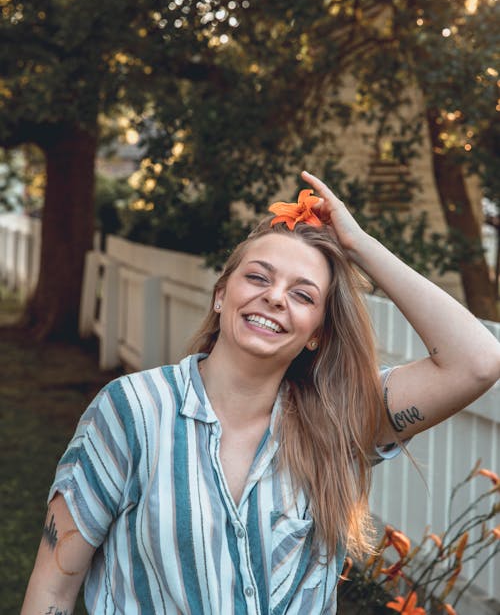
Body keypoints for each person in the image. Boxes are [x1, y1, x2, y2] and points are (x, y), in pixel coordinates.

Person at [21, 171, 500, 615]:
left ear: (317, 333)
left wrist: (360, 245)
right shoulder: (132, 411)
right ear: (220, 294)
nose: (275, 297)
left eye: (303, 294)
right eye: (258, 277)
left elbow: (477, 362)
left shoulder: (337, 421)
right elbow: (54, 587)